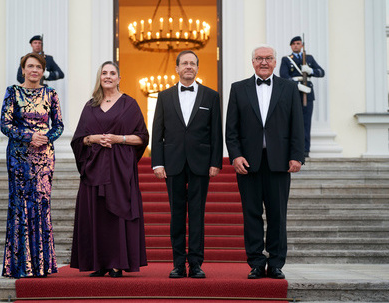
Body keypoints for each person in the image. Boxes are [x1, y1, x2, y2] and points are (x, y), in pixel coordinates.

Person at [226, 45, 304, 280]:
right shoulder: (238, 89)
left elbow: (297, 125)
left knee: (277, 215)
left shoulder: (289, 88)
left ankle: (277, 263)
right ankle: (256, 263)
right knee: (251, 214)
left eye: (268, 58)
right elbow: (231, 128)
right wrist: (235, 155)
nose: (263, 62)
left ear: (274, 61)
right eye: (259, 58)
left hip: (279, 162)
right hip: (247, 163)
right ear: (252, 62)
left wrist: (297, 155)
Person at [70, 61, 149, 278]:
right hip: (93, 168)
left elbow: (142, 137)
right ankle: (100, 262)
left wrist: (119, 138)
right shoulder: (90, 106)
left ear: (119, 78)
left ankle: (117, 263)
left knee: (117, 215)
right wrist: (92, 138)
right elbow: (78, 139)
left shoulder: (130, 105)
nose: (108, 76)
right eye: (104, 73)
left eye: (112, 73)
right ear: (100, 77)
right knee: (96, 216)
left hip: (120, 169)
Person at [151, 50, 223, 279]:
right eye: (184, 63)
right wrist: (157, 163)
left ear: (197, 68)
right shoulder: (164, 96)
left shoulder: (211, 96)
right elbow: (157, 132)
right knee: (177, 214)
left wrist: (216, 162)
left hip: (201, 163)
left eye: (192, 63)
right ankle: (178, 263)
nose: (188, 66)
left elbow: (215, 133)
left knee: (197, 214)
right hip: (173, 163)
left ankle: (196, 263)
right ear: (177, 68)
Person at [0, 53, 64, 278]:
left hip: (44, 158)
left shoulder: (51, 94)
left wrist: (46, 137)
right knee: (20, 206)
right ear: (23, 69)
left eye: (38, 67)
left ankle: (43, 265)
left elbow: (58, 125)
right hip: (19, 157)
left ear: (43, 70)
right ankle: (20, 265)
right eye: (30, 66)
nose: (34, 70)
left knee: (41, 205)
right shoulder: (12, 92)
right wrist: (29, 136)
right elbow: (5, 125)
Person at [279, 36, 325, 158]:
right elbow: (283, 76)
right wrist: (297, 85)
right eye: (293, 44)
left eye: (298, 43)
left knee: (306, 123)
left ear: (302, 45)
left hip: (307, 94)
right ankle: (292, 149)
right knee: (291, 122)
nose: (296, 45)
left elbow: (321, 72)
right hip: (293, 94)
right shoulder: (287, 60)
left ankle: (305, 150)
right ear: (291, 46)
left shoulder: (308, 58)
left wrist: (310, 71)